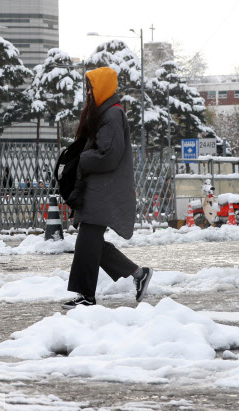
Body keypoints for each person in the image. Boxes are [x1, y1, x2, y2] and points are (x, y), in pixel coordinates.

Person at [63, 67, 153, 309]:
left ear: (102, 87)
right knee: (92, 245)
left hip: (103, 191)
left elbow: (109, 155)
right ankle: (139, 273)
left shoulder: (112, 115)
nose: (89, 93)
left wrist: (83, 158)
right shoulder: (107, 114)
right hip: (99, 190)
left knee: (87, 243)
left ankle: (87, 296)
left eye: (92, 87)